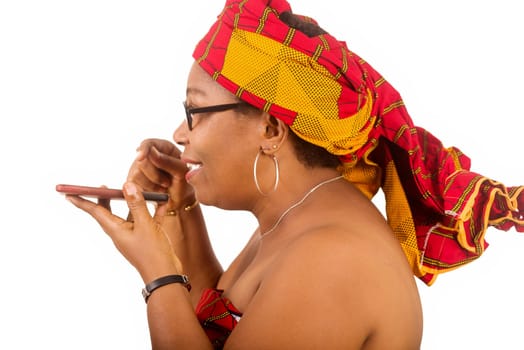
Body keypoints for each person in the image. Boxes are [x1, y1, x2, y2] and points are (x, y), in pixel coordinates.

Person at [65, 0, 523, 349]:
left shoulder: (331, 257)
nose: (179, 133)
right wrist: (180, 213)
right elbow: (217, 320)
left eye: (195, 111)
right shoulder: (295, 216)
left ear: (271, 127)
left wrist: (157, 274)